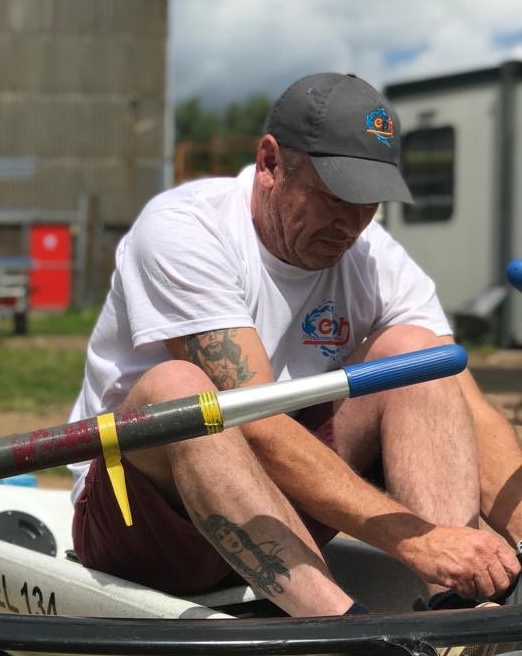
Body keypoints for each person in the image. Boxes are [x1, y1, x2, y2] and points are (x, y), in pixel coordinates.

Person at [68, 72, 522, 618]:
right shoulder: (184, 229)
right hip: (148, 525)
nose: (352, 223)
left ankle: (453, 612)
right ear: (269, 164)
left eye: (369, 201)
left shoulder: (373, 255)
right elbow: (254, 422)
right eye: (335, 196)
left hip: (288, 504)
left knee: (419, 355)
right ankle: (341, 627)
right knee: (183, 389)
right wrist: (413, 537)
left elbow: (466, 405)